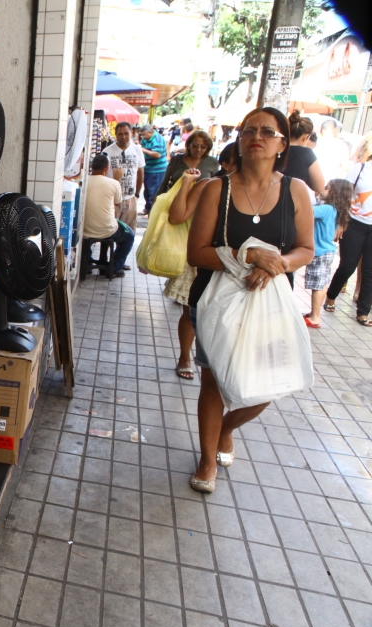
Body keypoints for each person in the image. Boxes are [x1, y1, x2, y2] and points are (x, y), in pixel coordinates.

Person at [185, 107, 314, 493]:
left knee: (270, 384)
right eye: (249, 130)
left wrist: (278, 263)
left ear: (282, 144)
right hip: (215, 302)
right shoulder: (216, 189)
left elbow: (306, 249)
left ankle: (225, 429)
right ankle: (208, 459)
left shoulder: (295, 190)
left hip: (269, 305)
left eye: (267, 131)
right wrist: (247, 255)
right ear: (239, 140)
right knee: (213, 380)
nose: (256, 136)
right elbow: (197, 253)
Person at [164, 145, 237, 381]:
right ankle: (186, 356)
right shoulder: (208, 186)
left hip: (236, 268)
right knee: (191, 311)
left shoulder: (259, 192)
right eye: (239, 162)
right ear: (224, 164)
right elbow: (177, 216)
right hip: (202, 259)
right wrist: (186, 184)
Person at [323, 132, 372, 326]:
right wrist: (341, 223)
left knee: (370, 272)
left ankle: (363, 312)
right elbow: (346, 196)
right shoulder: (360, 168)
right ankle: (331, 296)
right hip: (355, 224)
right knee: (347, 266)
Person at [304, 179, 353, 328]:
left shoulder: (326, 209)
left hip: (320, 251)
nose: (322, 189)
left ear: (334, 193)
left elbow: (307, 211)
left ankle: (315, 316)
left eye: (326, 188)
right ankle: (315, 312)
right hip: (327, 251)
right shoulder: (335, 210)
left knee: (318, 285)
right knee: (322, 282)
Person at [84, 154, 135, 277]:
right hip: (107, 230)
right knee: (129, 235)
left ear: (91, 167)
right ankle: (115, 267)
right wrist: (117, 179)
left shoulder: (84, 180)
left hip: (84, 229)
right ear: (106, 169)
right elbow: (117, 203)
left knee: (87, 239)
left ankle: (88, 262)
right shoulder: (113, 183)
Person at [102, 122, 145, 227]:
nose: (123, 137)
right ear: (116, 135)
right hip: (112, 200)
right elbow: (102, 176)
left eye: (126, 133)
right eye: (120, 134)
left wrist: (137, 194)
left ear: (131, 133)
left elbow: (140, 173)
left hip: (130, 199)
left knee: (129, 233)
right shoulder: (107, 152)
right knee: (110, 232)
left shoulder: (137, 150)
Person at [158, 130, 220, 195]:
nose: (198, 149)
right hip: (174, 201)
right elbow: (164, 183)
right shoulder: (177, 160)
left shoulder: (212, 162)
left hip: (201, 203)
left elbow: (214, 186)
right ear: (189, 145)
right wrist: (156, 200)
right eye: (195, 146)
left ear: (207, 148)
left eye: (203, 147)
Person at [283, 111, 326, 196]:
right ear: (306, 137)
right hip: (292, 200)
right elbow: (320, 186)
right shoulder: (306, 153)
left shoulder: (276, 147)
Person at [140, 123, 169, 215]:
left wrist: (143, 150)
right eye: (142, 134)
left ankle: (153, 211)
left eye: (144, 134)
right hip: (148, 169)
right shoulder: (145, 139)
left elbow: (157, 154)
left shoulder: (158, 139)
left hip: (157, 170)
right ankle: (148, 208)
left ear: (151, 132)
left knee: (154, 191)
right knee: (147, 190)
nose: (143, 136)